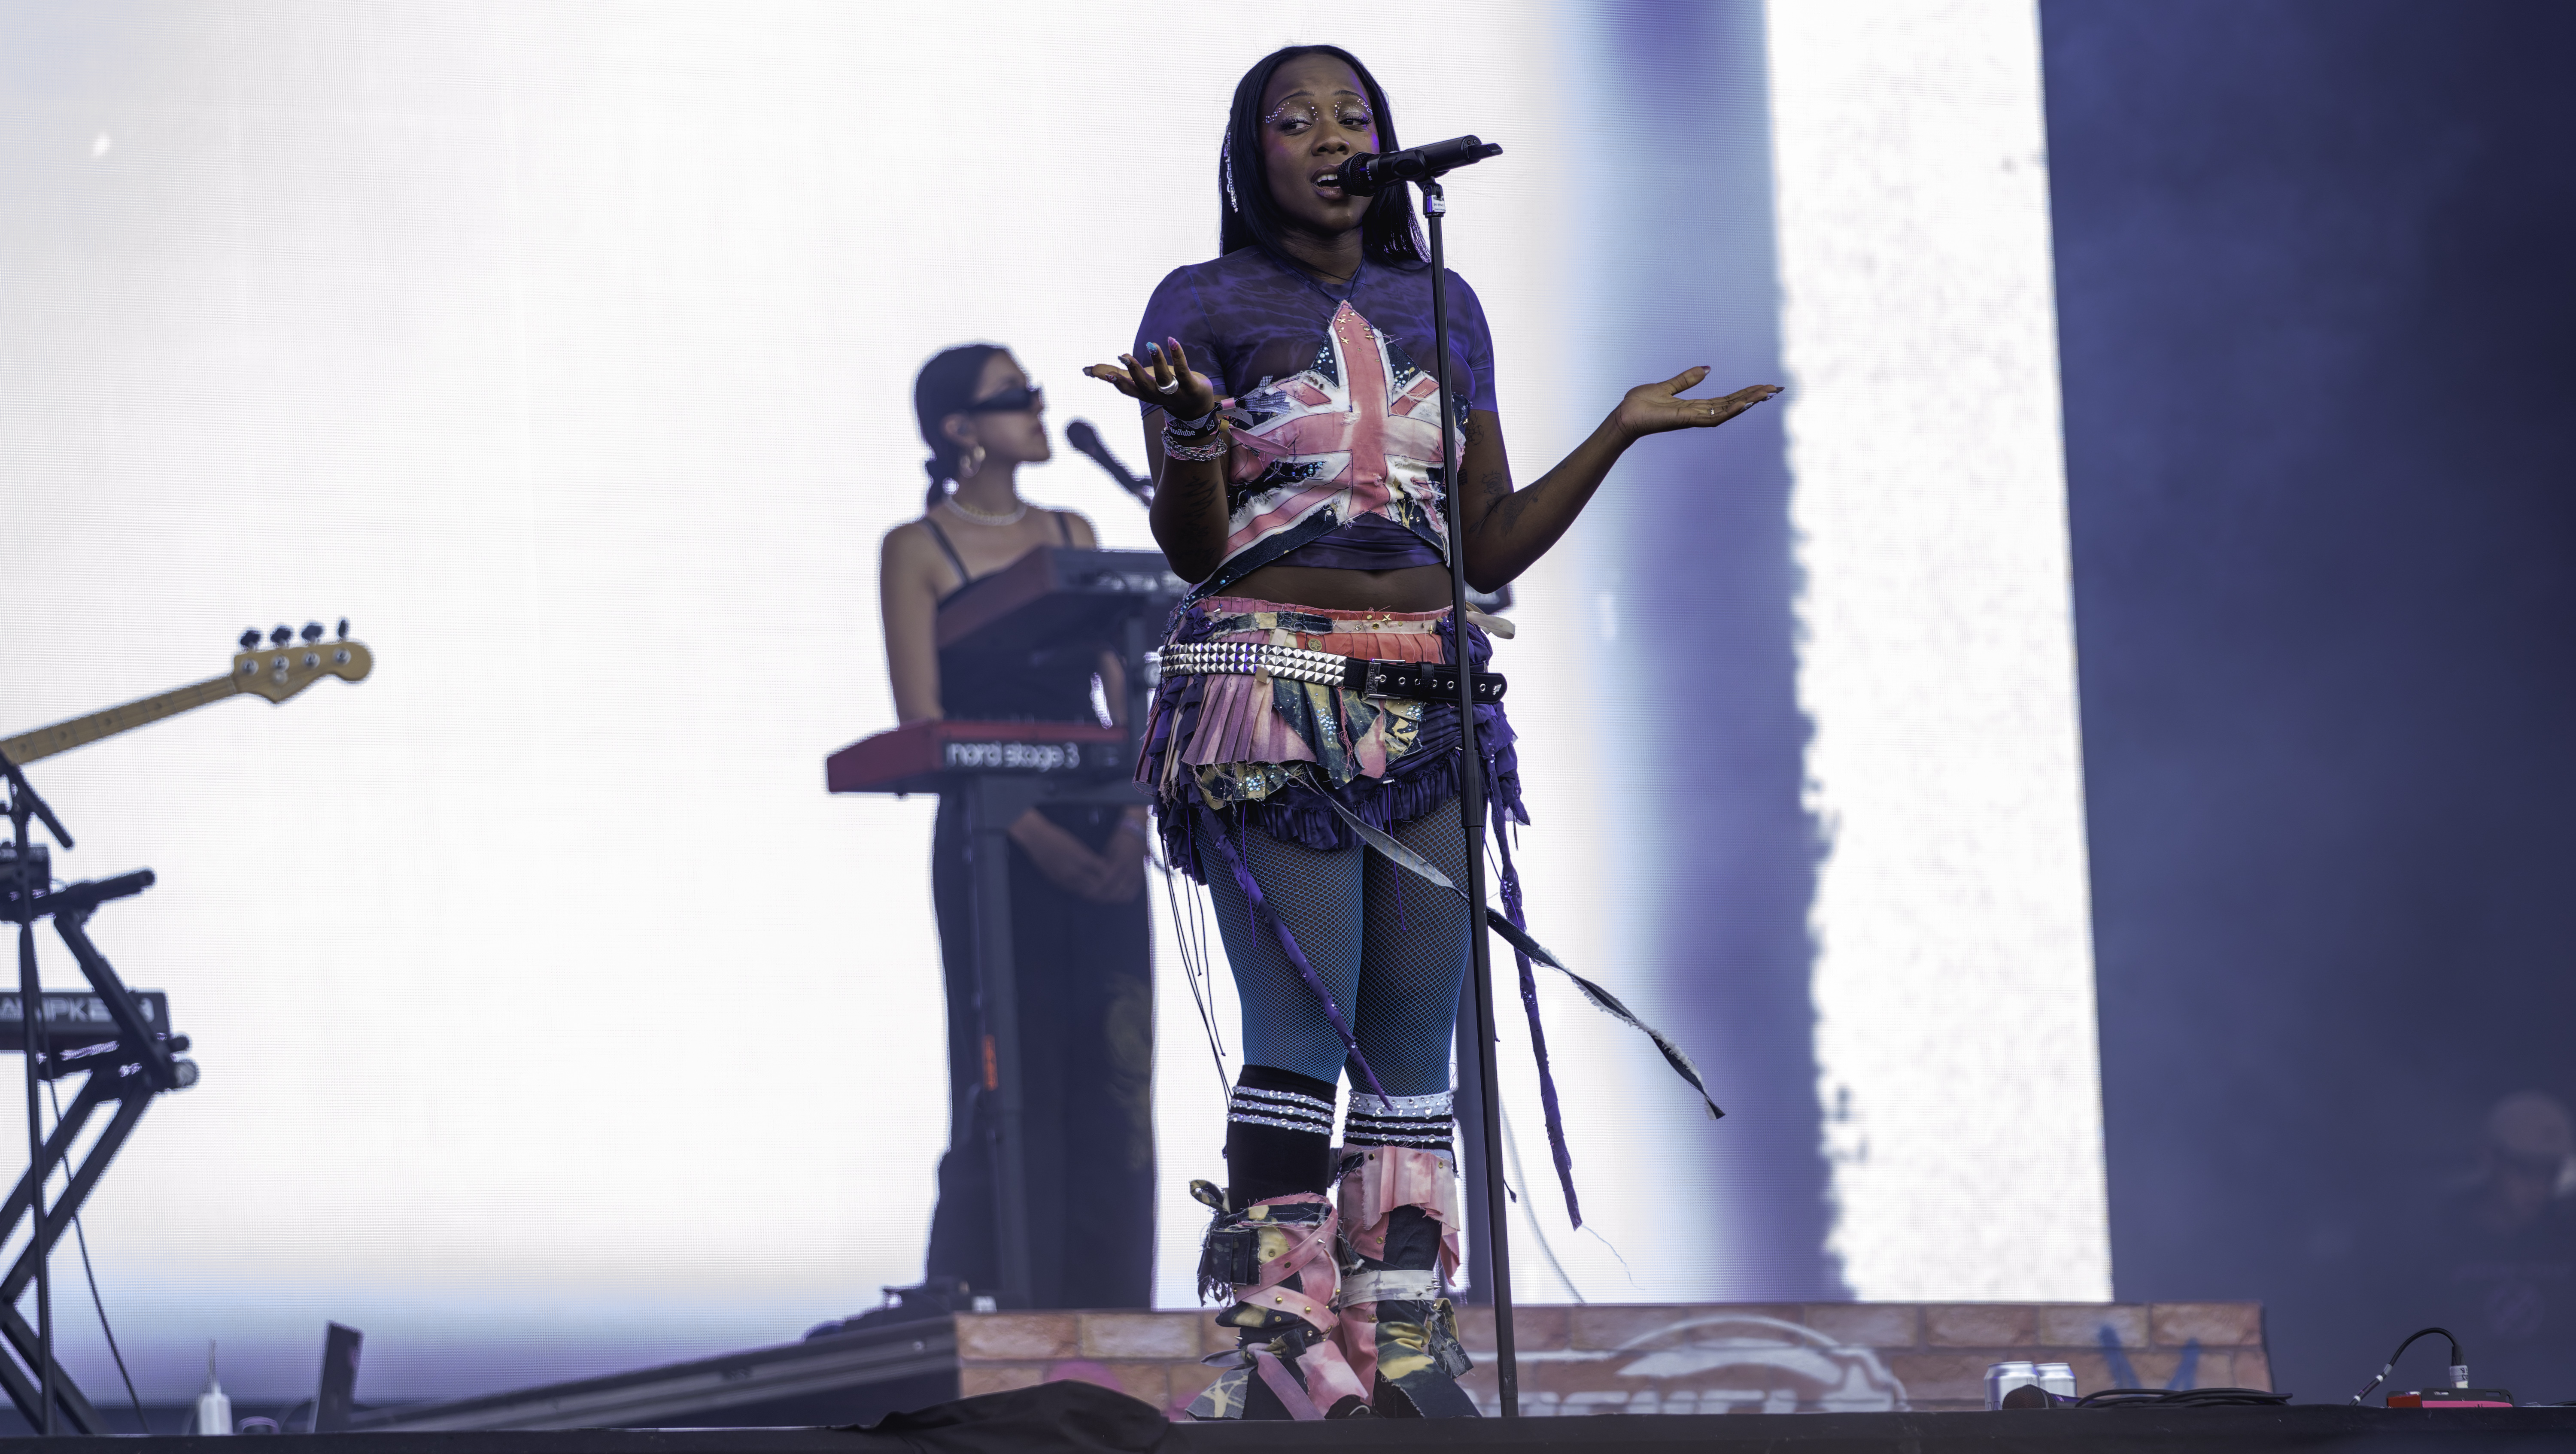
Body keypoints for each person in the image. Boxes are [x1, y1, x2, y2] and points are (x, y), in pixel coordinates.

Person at [1084, 45, 1779, 1419]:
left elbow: (1492, 539)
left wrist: (1620, 431)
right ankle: (1281, 1336)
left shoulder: (1443, 300)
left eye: (1355, 114)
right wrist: (1183, 436)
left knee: (1420, 1033)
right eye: (1297, 119)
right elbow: (1196, 544)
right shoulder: (1204, 301)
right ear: (1253, 154)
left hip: (1435, 692)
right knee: (1305, 1008)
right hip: (1271, 685)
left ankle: (1403, 1336)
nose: (1332, 135)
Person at [878, 344, 1155, 1310]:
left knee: (1115, 1065)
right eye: (1015, 397)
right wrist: (1034, 832)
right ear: (960, 429)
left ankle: (1114, 1303)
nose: (1040, 408)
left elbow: (1134, 708)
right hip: (994, 833)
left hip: (1105, 819)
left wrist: (1129, 832)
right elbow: (924, 719)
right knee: (1009, 1065)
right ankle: (996, 1298)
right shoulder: (917, 548)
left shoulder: (1075, 525)